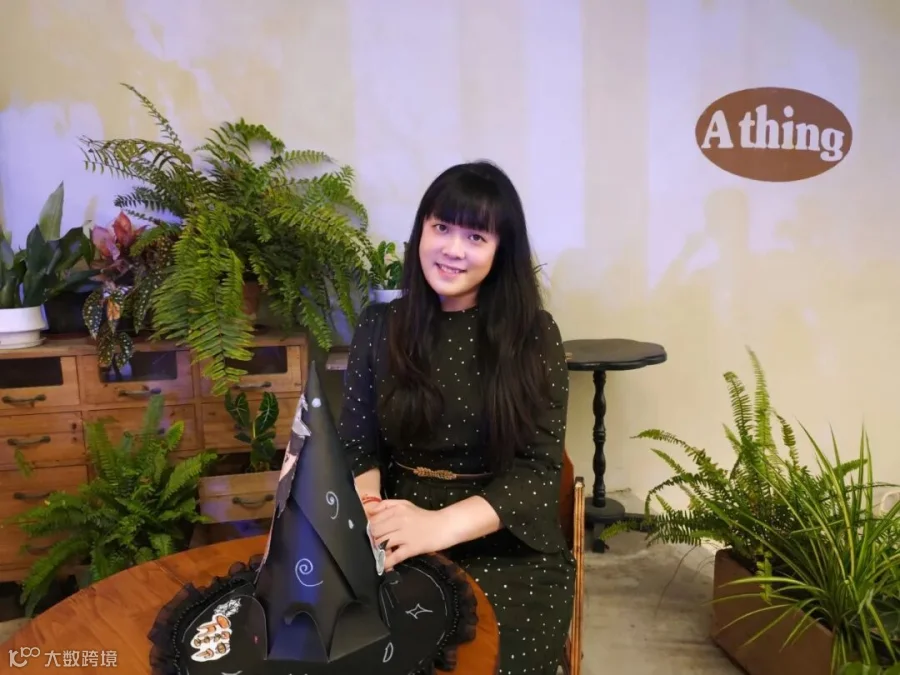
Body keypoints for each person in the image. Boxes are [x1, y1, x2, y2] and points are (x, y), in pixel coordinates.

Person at [338, 160, 575, 674]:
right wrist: (373, 514)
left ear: (501, 251)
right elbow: (356, 445)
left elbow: (537, 473)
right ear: (421, 231)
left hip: (506, 545)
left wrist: (438, 527)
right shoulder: (379, 327)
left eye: (475, 237)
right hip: (397, 528)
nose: (452, 249)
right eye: (441, 227)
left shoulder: (534, 336)